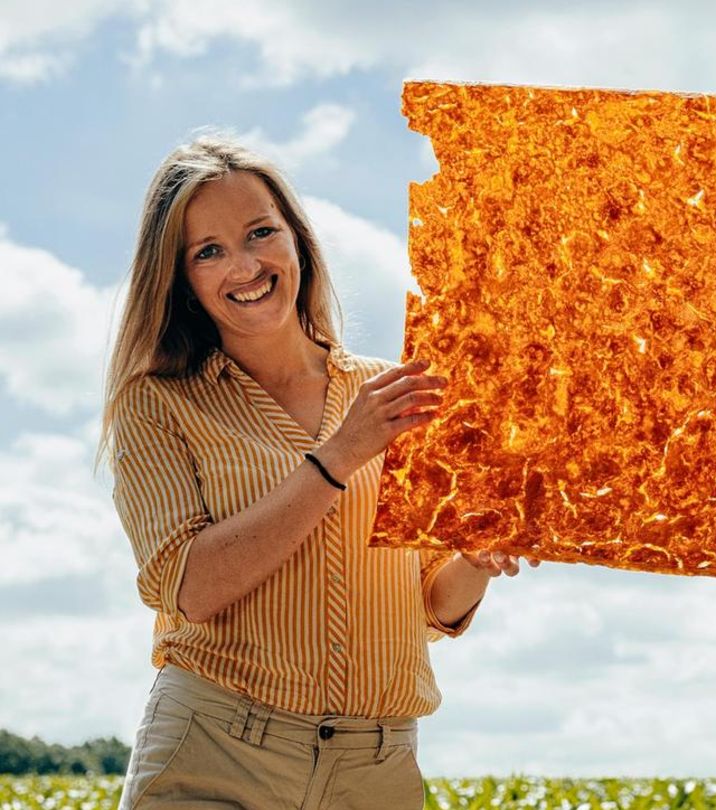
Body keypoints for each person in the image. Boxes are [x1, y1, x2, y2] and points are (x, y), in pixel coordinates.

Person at [99, 135, 533, 809]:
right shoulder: (158, 404)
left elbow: (424, 608)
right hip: (217, 754)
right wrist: (337, 458)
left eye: (260, 232)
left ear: (297, 240)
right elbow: (191, 587)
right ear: (180, 277)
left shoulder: (399, 394)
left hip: (376, 770)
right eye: (208, 251)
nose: (244, 265)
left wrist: (473, 559)